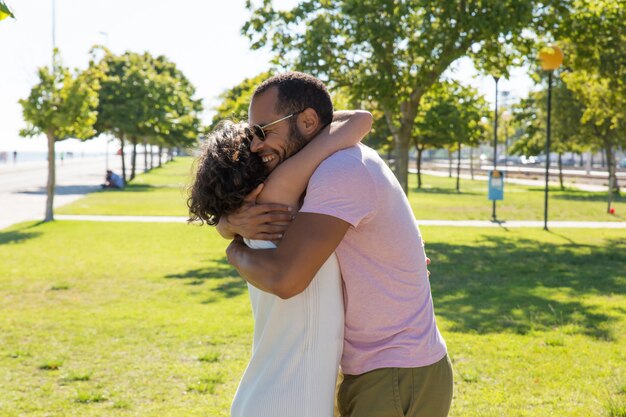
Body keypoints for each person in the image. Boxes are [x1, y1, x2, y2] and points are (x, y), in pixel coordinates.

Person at [222, 72, 453, 417]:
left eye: (264, 130)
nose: (256, 145)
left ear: (310, 121)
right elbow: (348, 121)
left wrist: (234, 250)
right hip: (385, 369)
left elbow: (286, 279)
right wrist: (227, 224)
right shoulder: (332, 160)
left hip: (394, 370)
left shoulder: (341, 170)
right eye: (252, 133)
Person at [188, 111, 372, 417]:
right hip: (290, 403)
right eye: (259, 141)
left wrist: (227, 231)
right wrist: (292, 123)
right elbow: (359, 120)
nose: (266, 146)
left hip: (264, 397)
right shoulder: (278, 196)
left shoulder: (254, 231)